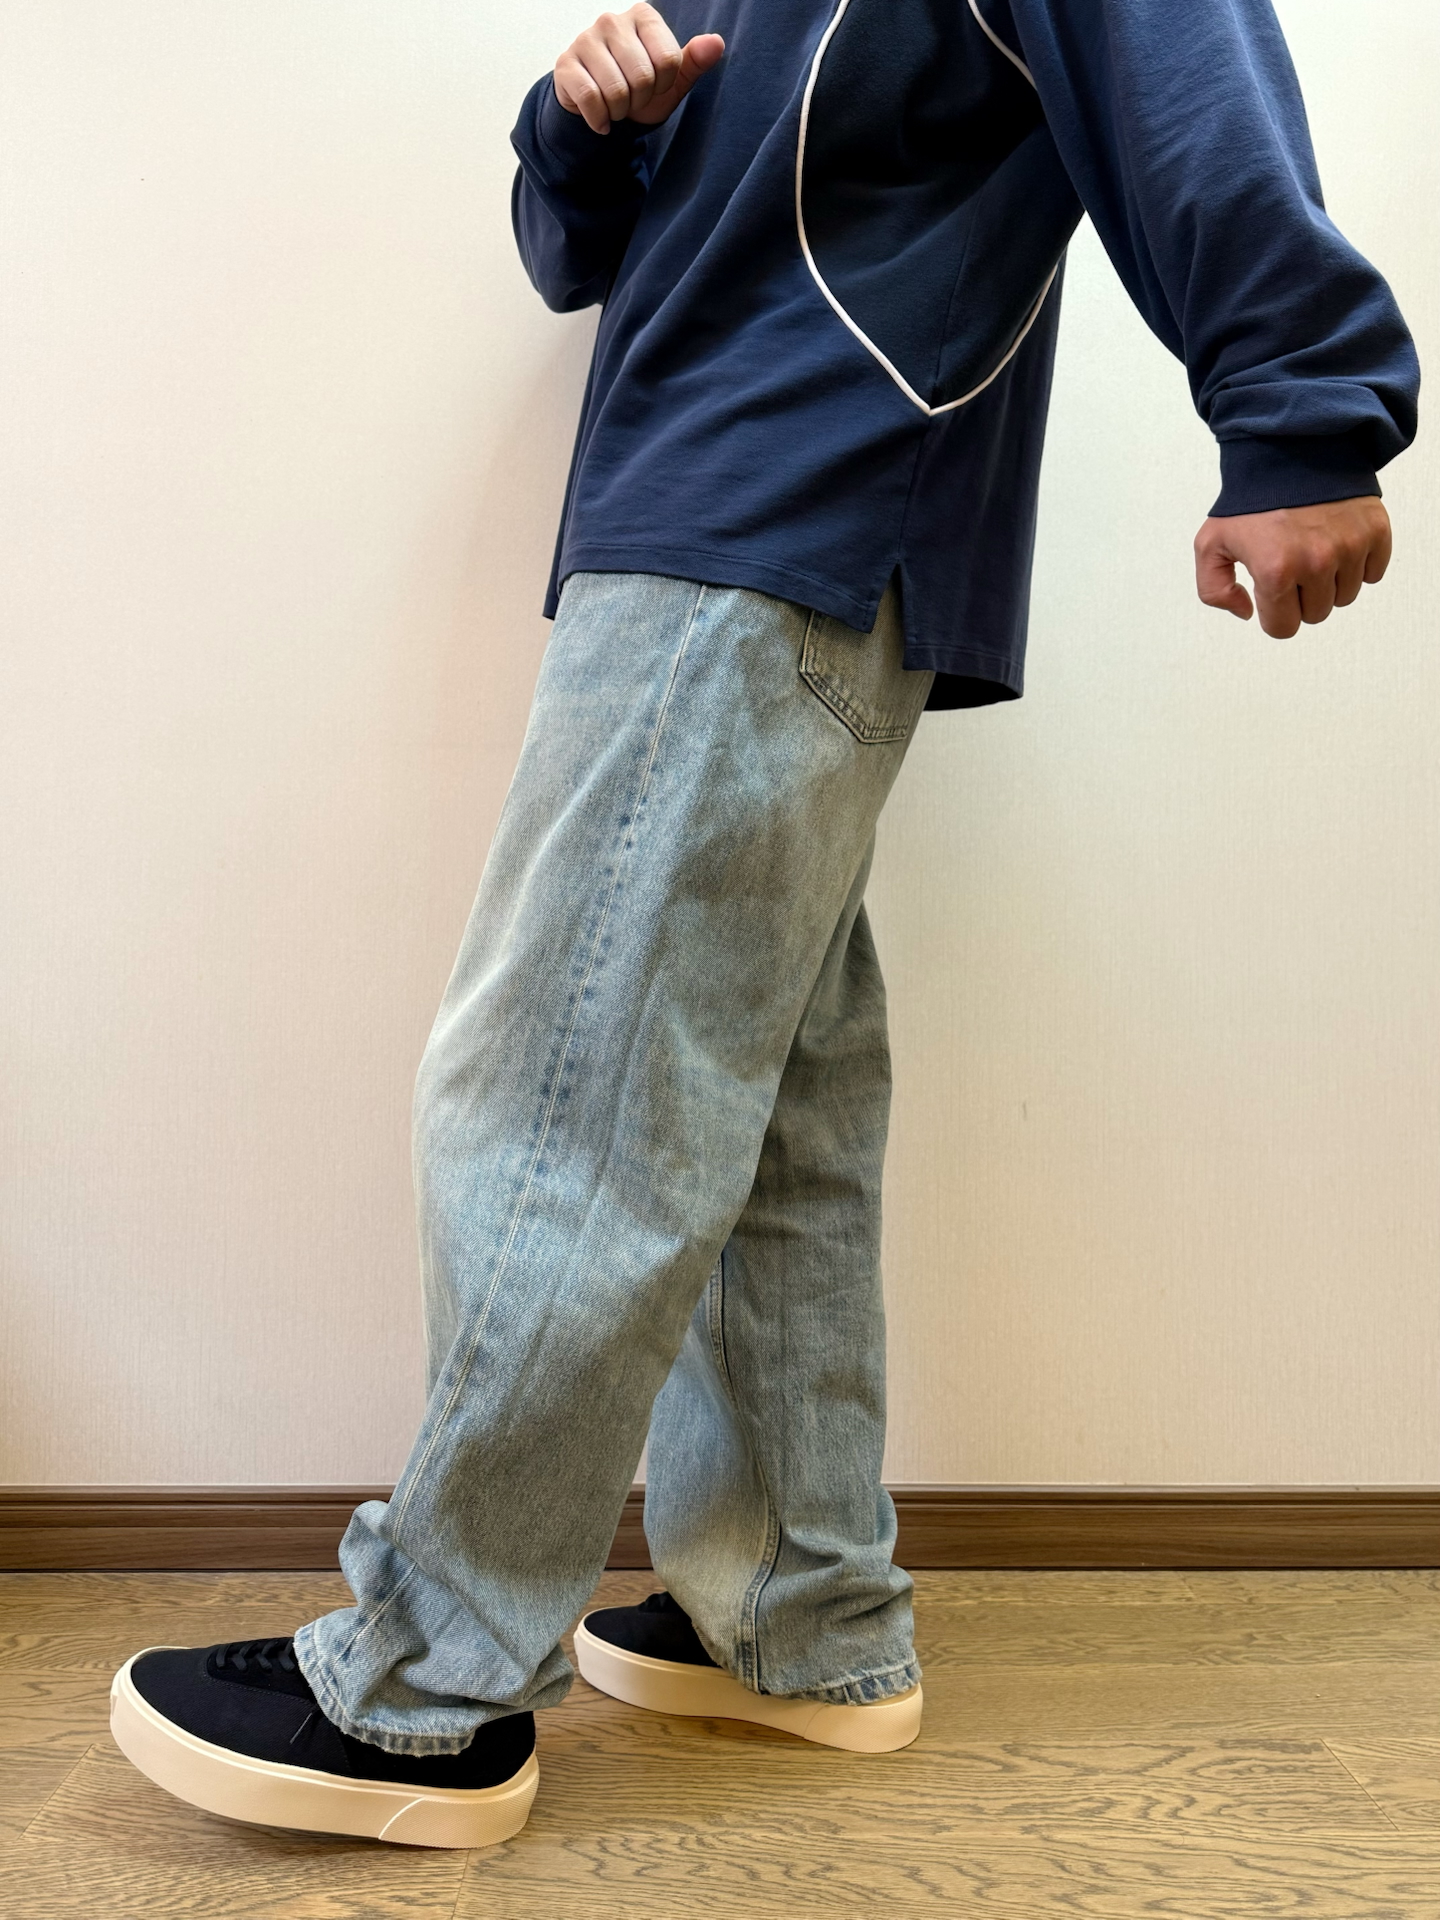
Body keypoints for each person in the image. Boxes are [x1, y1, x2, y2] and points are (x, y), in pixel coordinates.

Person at [110, 0, 1417, 1849]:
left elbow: (1172, 46)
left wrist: (1300, 410)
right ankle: (798, 1618)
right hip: (746, 531)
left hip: (764, 517)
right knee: (770, 1103)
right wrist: (577, 123)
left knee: (565, 1096)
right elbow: (579, 252)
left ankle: (425, 1684)